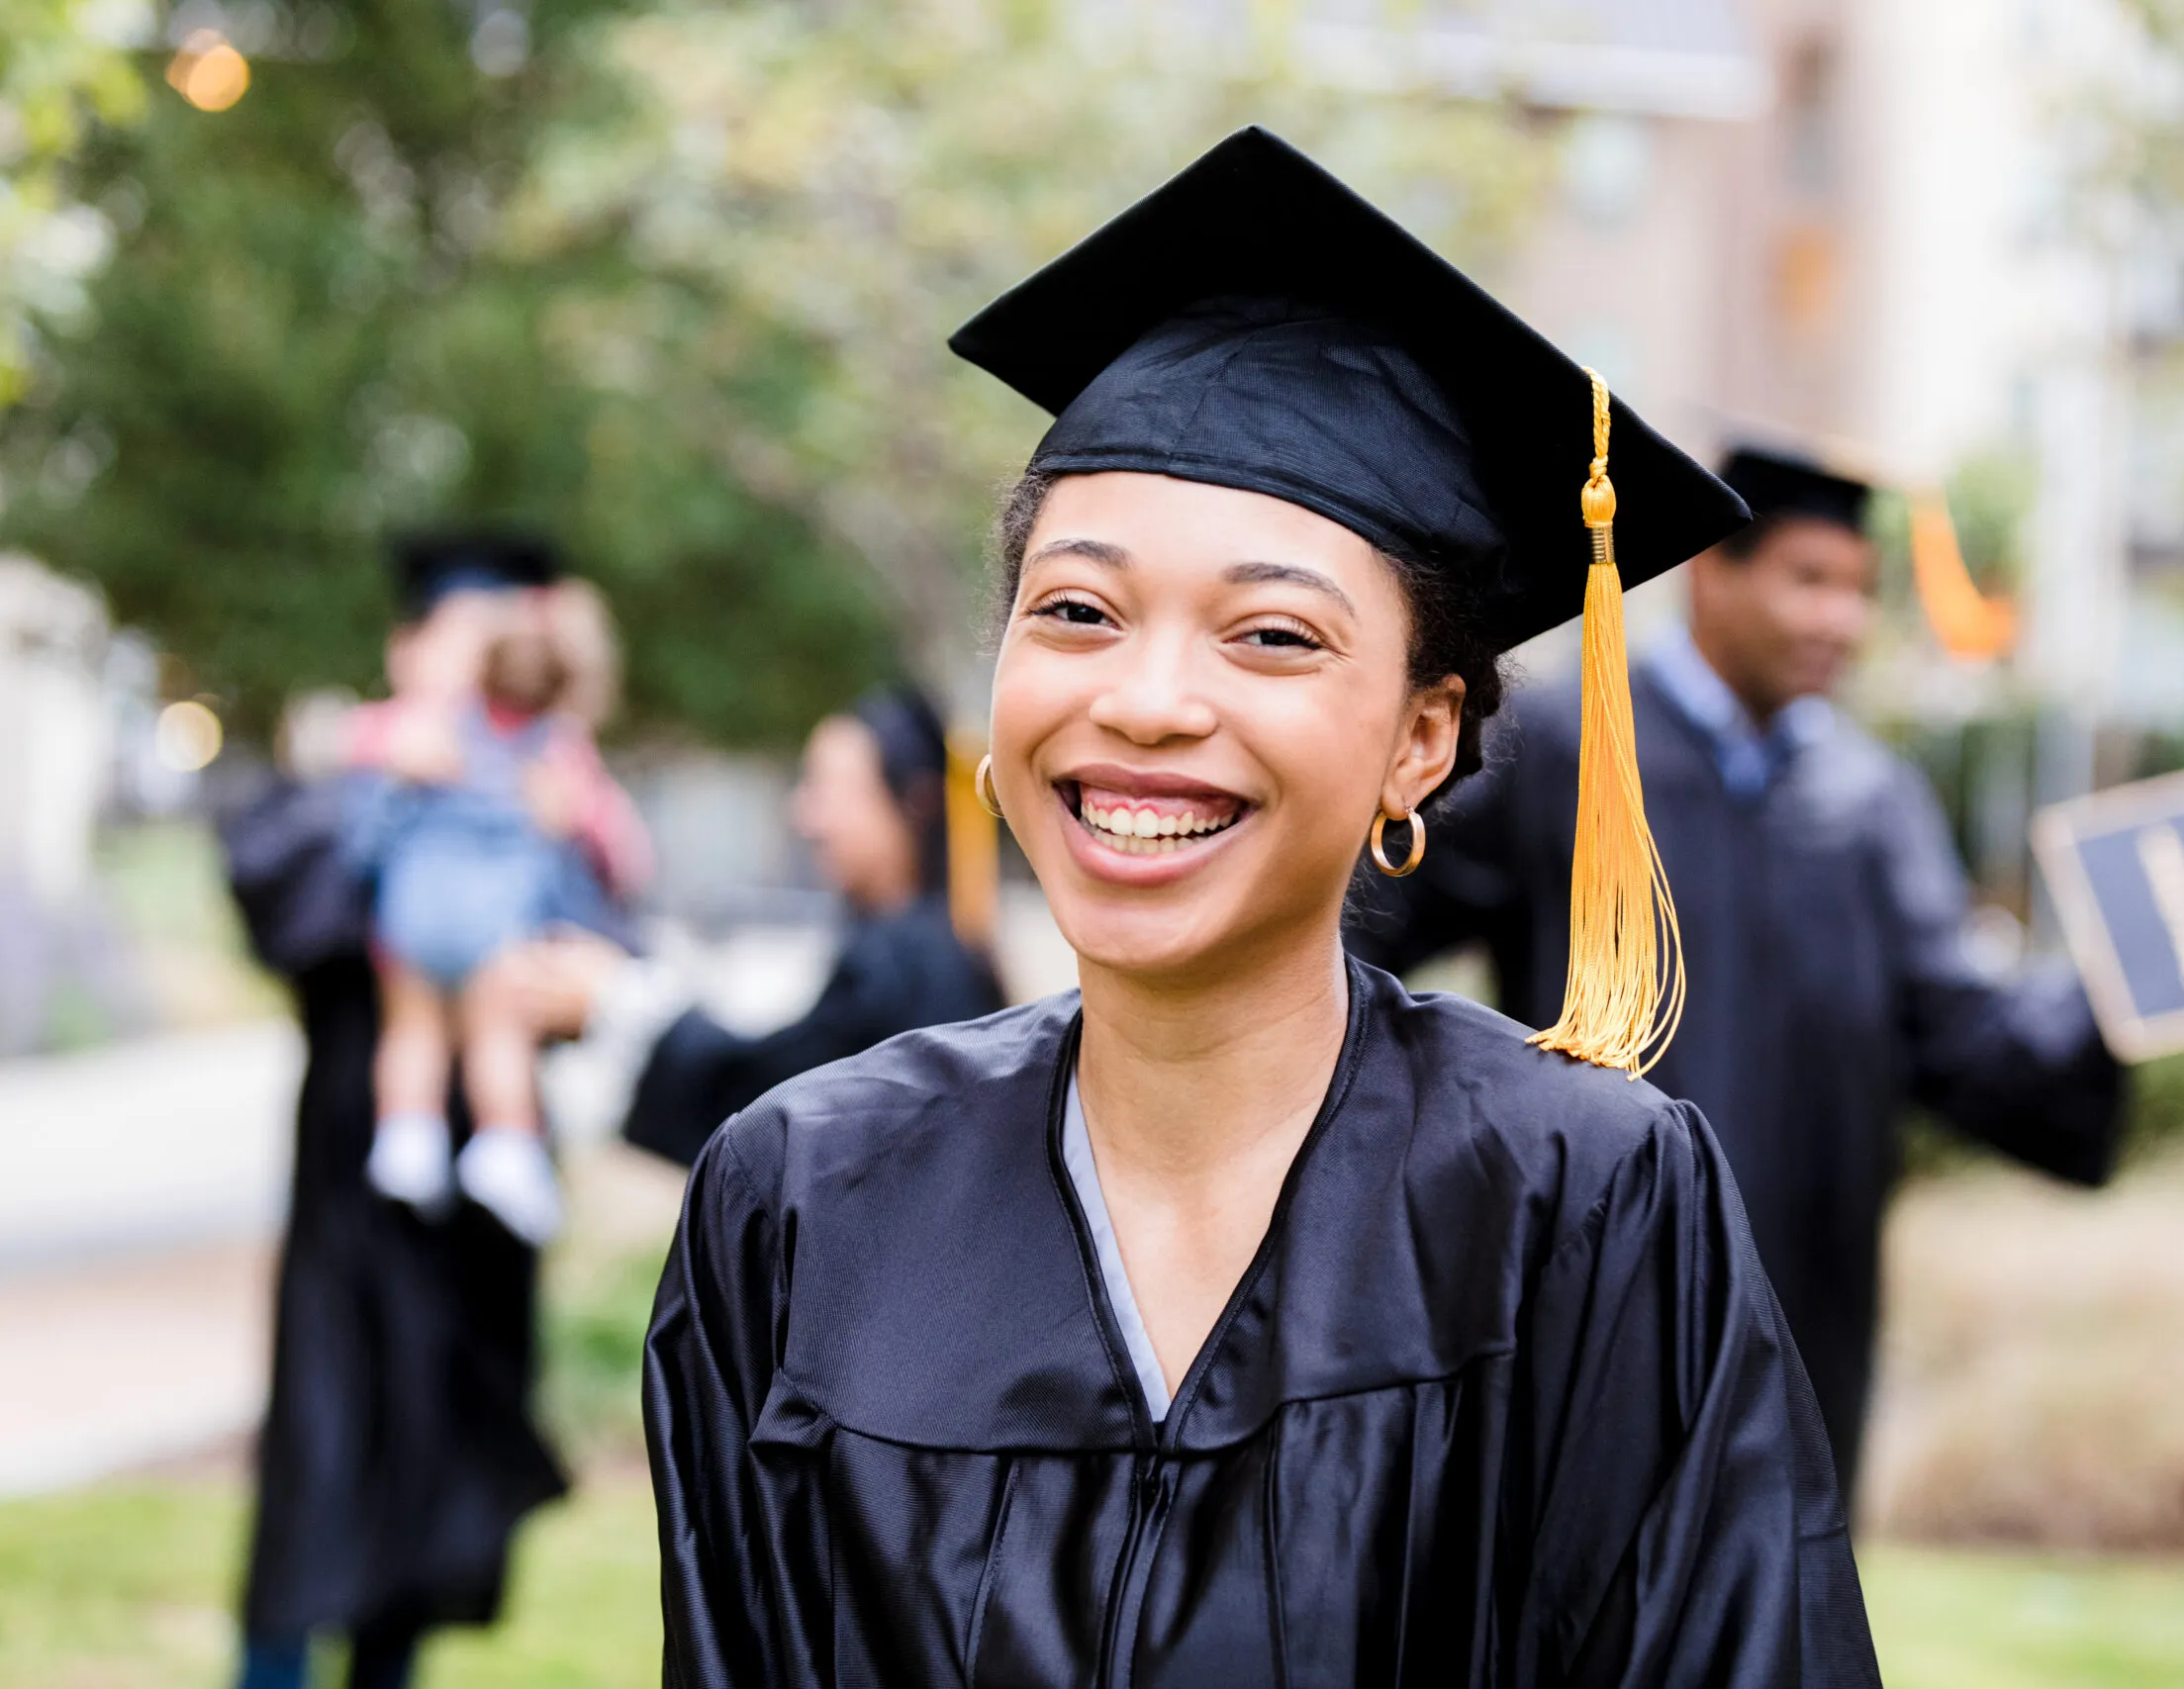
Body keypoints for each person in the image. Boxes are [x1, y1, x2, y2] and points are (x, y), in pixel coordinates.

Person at [642, 128, 1877, 1686]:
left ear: (1421, 736)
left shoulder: (1581, 1200)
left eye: (1271, 634)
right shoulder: (800, 1199)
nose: (1147, 700)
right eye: (1078, 611)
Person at [1347, 441, 2127, 1492]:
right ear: (1712, 570)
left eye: (1858, 592)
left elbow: (1966, 1040)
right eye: (1808, 580)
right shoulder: (1562, 746)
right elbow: (1360, 935)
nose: (1839, 621)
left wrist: (2129, 983)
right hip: (1581, 1285)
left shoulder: (1869, 802)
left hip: (1800, 1314)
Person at [218, 531, 569, 1689]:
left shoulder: (537, 774)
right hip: (354, 1178)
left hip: (480, 1184)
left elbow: (590, 948)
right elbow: (283, 910)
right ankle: (269, 1671)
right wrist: (381, 782)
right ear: (405, 647)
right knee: (319, 1469)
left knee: (436, 1483)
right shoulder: (352, 779)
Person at [472, 684, 1005, 1169]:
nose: (805, 818)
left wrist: (616, 997)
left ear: (914, 801)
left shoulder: (911, 967)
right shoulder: (924, 952)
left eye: (826, 789)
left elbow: (776, 1111)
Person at [342, 577, 649, 1243]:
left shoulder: (427, 733)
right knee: (497, 1036)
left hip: (412, 919)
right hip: (496, 929)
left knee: (412, 1031)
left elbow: (360, 806)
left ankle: (405, 1136)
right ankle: (506, 1145)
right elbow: (624, 856)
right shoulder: (548, 749)